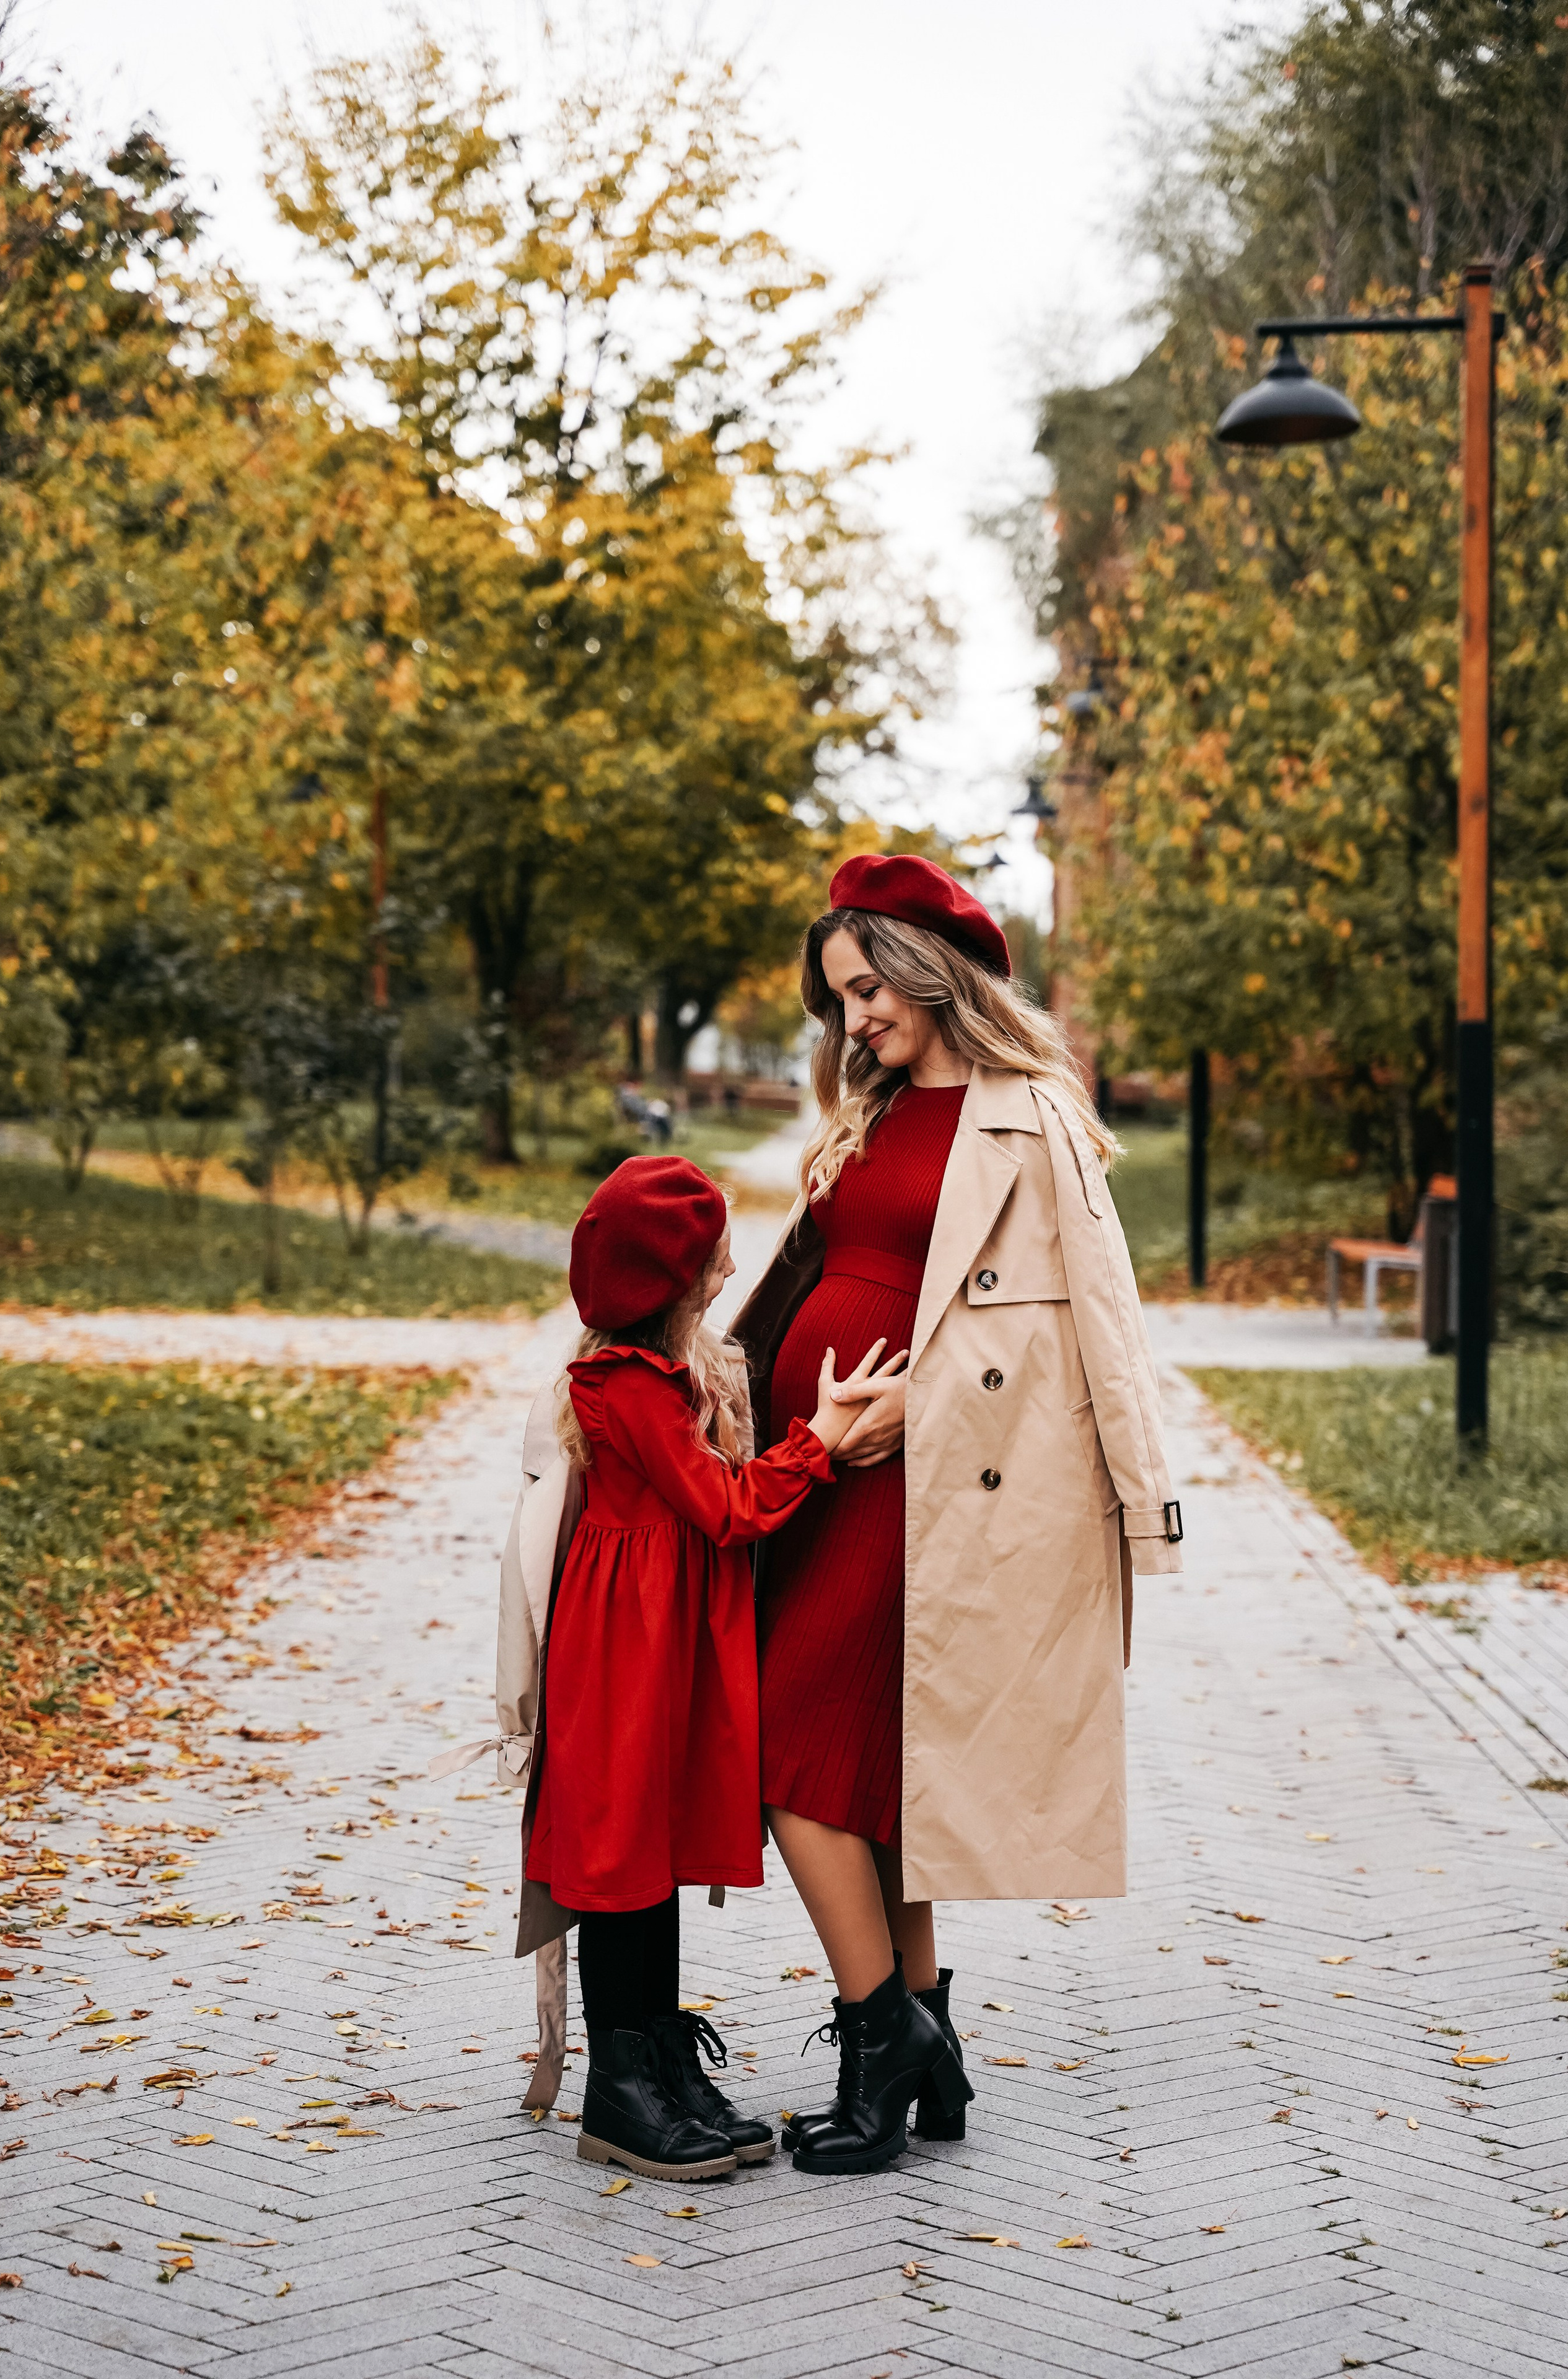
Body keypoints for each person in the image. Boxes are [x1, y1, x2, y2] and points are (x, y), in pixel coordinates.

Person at [730, 854, 1183, 2176]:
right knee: (878, 1770)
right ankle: (924, 2039)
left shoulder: (1028, 1115)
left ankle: (880, 2044)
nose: (852, 1018)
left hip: (929, 1481)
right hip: (818, 1469)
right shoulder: (861, 1113)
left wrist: (918, 1416)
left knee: (797, 1753)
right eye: (838, 999)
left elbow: (1093, 1318)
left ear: (929, 974)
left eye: (867, 988)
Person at [519, 1153, 909, 2182]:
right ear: (676, 1280)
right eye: (715, 1251)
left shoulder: (672, 1369)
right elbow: (727, 1509)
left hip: (661, 1641)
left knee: (649, 1849)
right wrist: (820, 1439)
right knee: (620, 1856)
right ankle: (621, 2083)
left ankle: (658, 2057)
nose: (734, 1260)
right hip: (624, 1655)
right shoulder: (623, 1383)